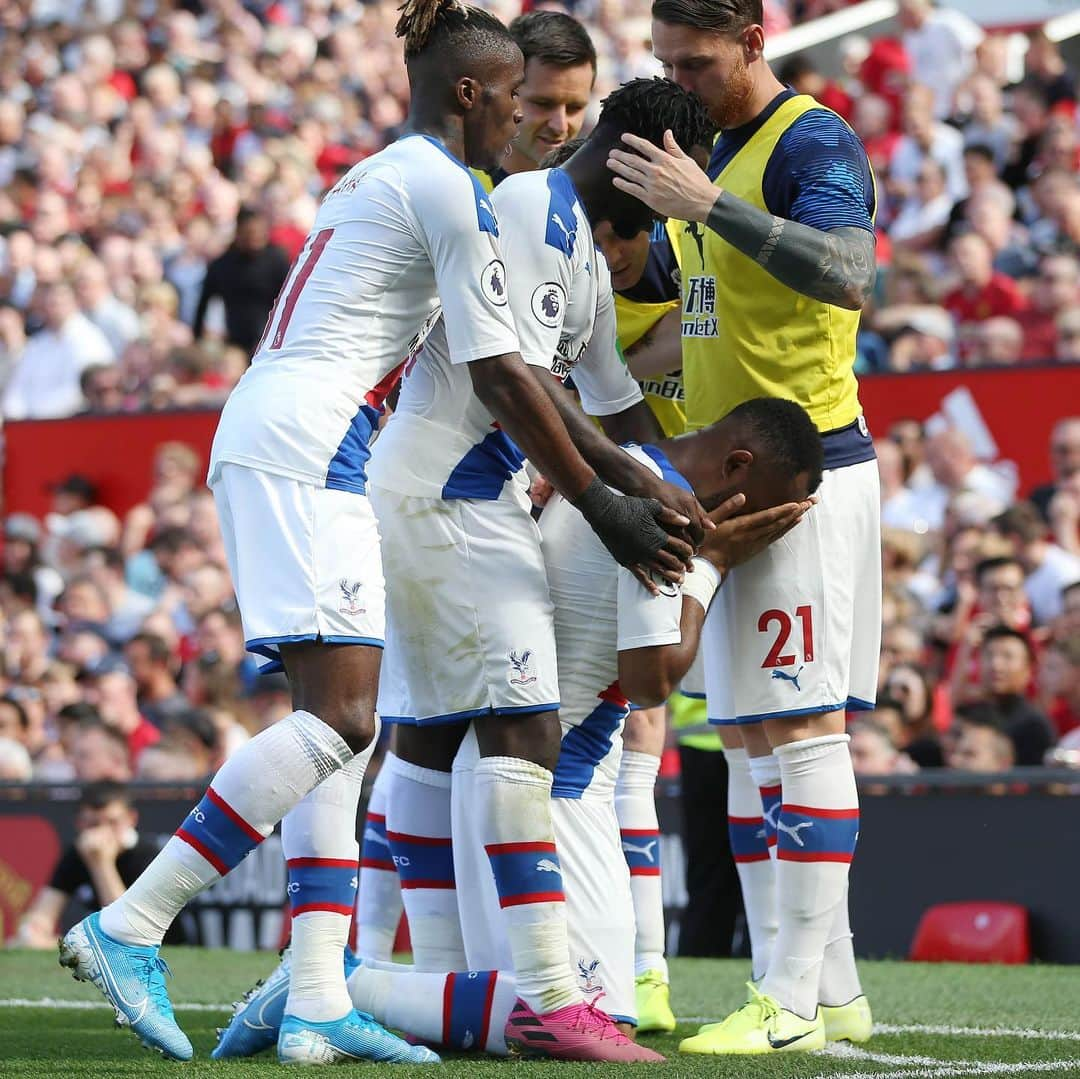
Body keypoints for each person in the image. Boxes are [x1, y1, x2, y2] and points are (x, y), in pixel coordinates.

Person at [61, 0, 688, 1065]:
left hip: (305, 434)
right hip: (315, 440)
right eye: (520, 106)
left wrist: (636, 470)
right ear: (470, 93)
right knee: (347, 720)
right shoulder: (453, 191)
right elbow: (502, 376)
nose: (533, 130)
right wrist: (606, 503)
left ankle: (315, 991)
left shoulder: (384, 174)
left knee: (336, 729)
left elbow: (544, 373)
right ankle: (131, 919)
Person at [215, 397, 820, 1060]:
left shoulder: (608, 474)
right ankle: (330, 982)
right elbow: (651, 679)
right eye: (764, 508)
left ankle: (337, 982)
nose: (762, 527)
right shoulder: (662, 507)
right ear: (737, 464)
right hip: (552, 785)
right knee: (569, 1018)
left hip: (528, 771)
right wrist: (715, 563)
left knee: (571, 1013)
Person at [365, 77, 711, 1063]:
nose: (683, 198)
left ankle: (422, 989)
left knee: (436, 732)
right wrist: (612, 504)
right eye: (680, 173)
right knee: (520, 722)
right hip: (444, 488)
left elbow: (616, 408)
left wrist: (677, 487)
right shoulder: (523, 204)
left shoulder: (592, 259)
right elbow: (507, 380)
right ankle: (546, 998)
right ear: (644, 153)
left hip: (477, 498)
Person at [607, 0, 881, 1054]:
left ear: (756, 44)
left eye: (700, 60)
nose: (683, 77)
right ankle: (834, 987)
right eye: (667, 60)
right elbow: (705, 319)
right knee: (755, 738)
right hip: (732, 474)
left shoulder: (811, 139)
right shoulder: (705, 150)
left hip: (801, 475)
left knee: (801, 729)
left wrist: (711, 204)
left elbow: (850, 273)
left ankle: (791, 1005)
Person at [16, 783, 190, 948]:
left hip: (159, 953)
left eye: (113, 822)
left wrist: (102, 864)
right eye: (93, 824)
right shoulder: (77, 854)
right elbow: (42, 916)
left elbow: (126, 931)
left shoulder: (149, 855)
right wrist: (33, 932)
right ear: (79, 824)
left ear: (131, 819)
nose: (102, 833)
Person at [474, 11, 596, 190]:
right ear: (502, 94)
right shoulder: (460, 188)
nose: (560, 126)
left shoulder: (597, 200)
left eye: (574, 107)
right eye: (543, 104)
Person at [191, 206, 290, 353]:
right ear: (238, 233)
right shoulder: (223, 265)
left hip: (272, 339)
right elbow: (204, 302)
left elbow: (290, 297)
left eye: (259, 233)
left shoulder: (276, 259)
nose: (255, 238)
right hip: (236, 341)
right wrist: (197, 337)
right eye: (250, 234)